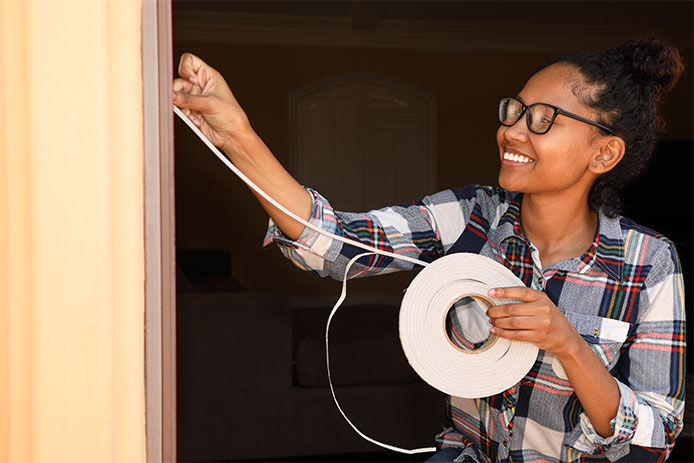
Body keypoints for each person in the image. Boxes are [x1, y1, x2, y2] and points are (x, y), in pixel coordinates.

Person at [172, 37, 686, 462]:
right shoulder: (470, 216)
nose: (511, 130)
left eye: (543, 119)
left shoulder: (650, 263)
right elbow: (332, 245)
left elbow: (657, 436)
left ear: (604, 152)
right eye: (515, 110)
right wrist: (234, 132)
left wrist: (569, 344)